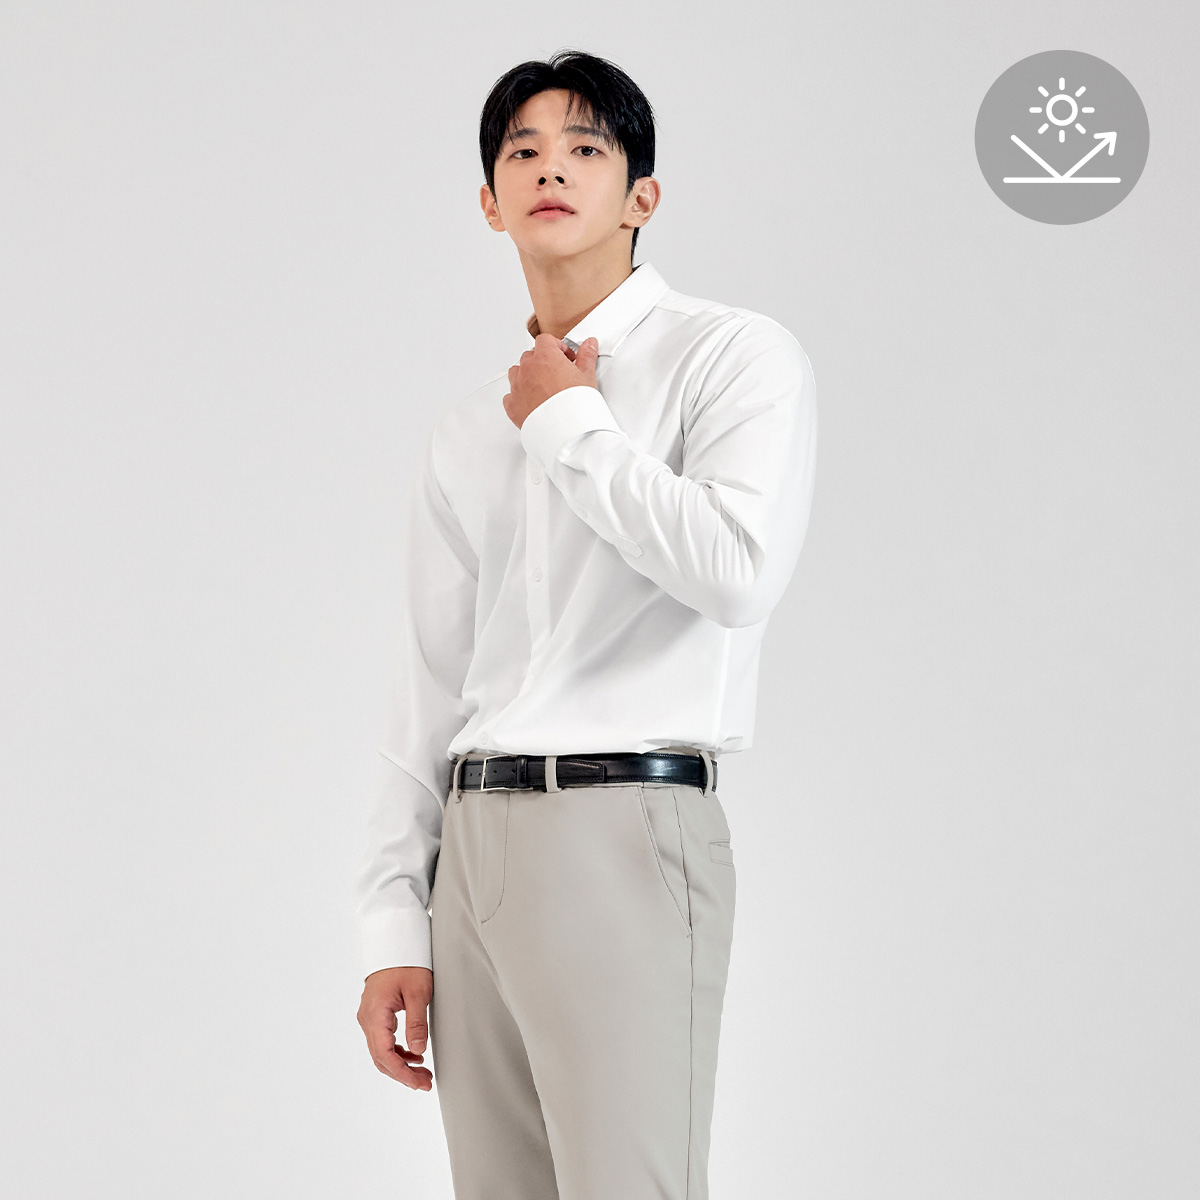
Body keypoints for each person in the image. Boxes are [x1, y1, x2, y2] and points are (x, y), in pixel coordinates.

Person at [354, 48, 818, 1200]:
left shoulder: (731, 355)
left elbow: (738, 572)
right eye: (523, 150)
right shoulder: (472, 425)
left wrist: (570, 425)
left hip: (624, 824)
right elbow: (430, 681)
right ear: (489, 201)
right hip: (473, 848)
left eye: (586, 147)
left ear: (641, 195)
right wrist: (391, 922)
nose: (550, 168)